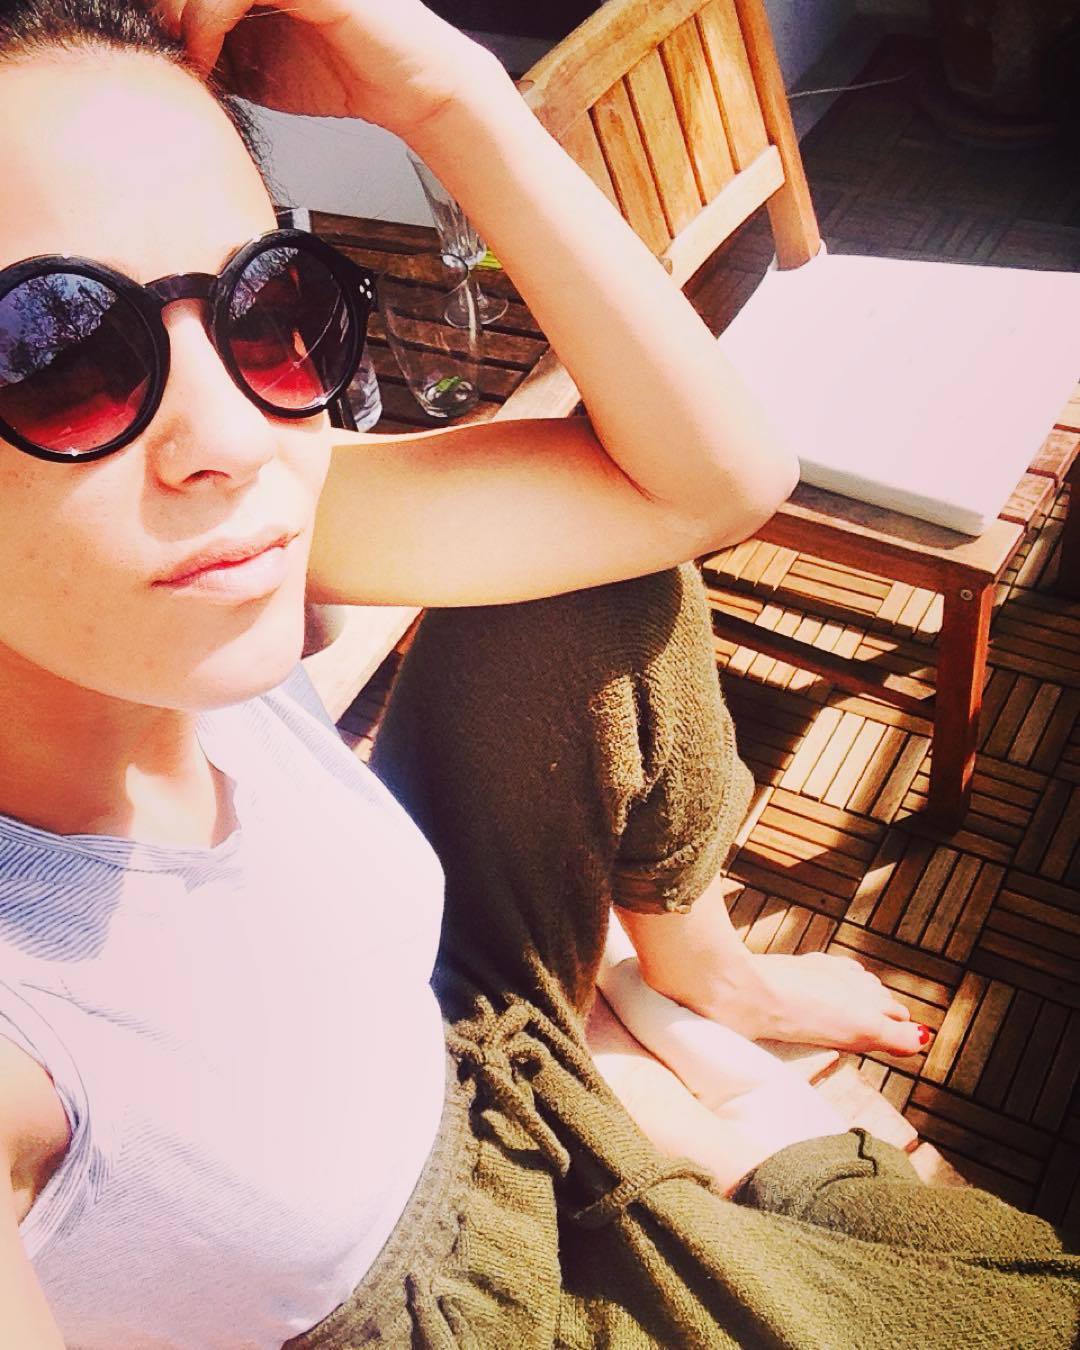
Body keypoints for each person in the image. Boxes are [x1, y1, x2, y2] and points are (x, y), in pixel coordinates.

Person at [0, 0, 1074, 1344]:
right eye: (54, 359)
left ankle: (695, 976)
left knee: (589, 578)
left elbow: (704, 486)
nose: (235, 435)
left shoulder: (159, 565)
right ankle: (652, 1079)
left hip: (455, 1043)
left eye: (263, 305)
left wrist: (450, 96)